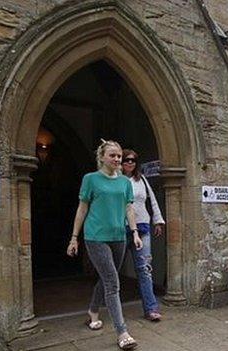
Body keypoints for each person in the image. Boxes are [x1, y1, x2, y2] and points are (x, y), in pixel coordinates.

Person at [66, 139, 143, 350]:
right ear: (102, 157)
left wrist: (134, 232)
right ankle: (122, 332)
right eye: (113, 155)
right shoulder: (90, 179)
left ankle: (93, 310)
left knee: (109, 277)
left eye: (119, 155)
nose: (118, 159)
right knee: (112, 282)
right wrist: (74, 238)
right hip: (96, 236)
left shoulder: (124, 183)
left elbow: (128, 209)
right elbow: (82, 209)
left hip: (119, 236)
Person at [121, 149, 165, 322]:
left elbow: (151, 200)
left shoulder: (141, 180)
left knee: (145, 270)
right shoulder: (116, 180)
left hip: (143, 227)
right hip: (121, 228)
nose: (130, 163)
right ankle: (98, 306)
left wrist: (158, 221)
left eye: (133, 160)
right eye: (126, 160)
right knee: (113, 270)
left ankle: (151, 308)